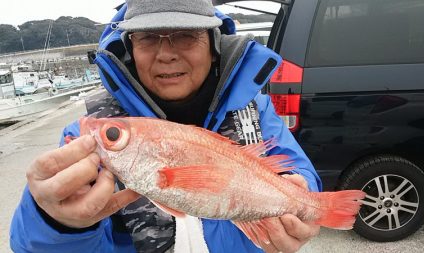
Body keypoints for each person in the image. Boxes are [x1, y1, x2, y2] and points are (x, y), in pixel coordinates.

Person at [10, 0, 322, 252]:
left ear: (214, 45)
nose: (166, 54)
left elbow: (296, 170)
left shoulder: (256, 109)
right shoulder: (90, 136)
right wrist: (57, 222)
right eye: (147, 38)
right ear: (130, 49)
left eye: (186, 35)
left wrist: (303, 195)